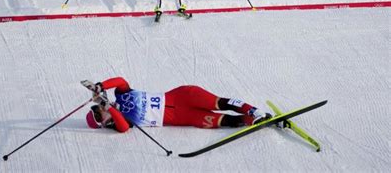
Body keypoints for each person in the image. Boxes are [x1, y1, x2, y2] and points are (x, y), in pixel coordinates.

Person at [83, 77, 271, 132]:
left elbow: (121, 81)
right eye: (98, 116)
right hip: (185, 118)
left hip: (182, 96)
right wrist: (110, 109)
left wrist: (101, 86)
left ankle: (254, 110)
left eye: (96, 109)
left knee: (220, 103)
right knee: (224, 120)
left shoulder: (121, 95)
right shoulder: (122, 121)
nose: (99, 111)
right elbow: (124, 128)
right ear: (104, 123)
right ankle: (252, 120)